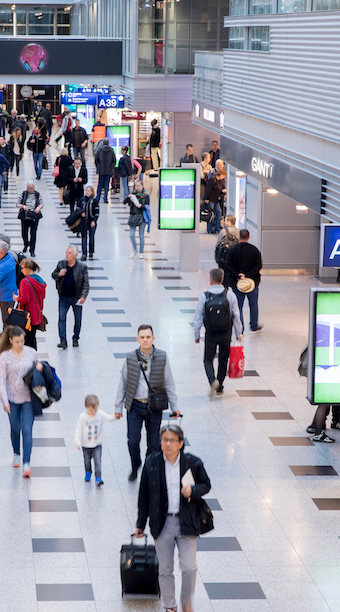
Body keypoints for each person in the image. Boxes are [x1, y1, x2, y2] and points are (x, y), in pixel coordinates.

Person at [135, 425, 212, 612]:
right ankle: (170, 607)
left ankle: (187, 602)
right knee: (165, 569)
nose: (167, 444)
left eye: (172, 440)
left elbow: (206, 485)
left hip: (187, 521)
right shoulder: (152, 462)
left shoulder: (192, 463)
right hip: (162, 522)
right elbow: (143, 494)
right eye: (164, 440)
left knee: (188, 567)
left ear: (181, 443)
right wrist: (140, 524)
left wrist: (192, 490)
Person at [114, 325, 181, 481]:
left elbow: (169, 383)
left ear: (153, 339)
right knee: (132, 441)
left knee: (153, 444)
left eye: (148, 337)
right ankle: (135, 464)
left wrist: (175, 406)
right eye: (142, 337)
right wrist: (118, 407)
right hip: (135, 406)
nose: (145, 340)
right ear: (138, 339)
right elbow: (122, 383)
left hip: (154, 406)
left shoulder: (162, 357)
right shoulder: (130, 357)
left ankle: (148, 470)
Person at [0, 325, 41, 477]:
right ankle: (16, 452)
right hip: (12, 398)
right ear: (10, 340)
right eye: (17, 341)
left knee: (27, 430)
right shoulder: (5, 356)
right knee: (15, 428)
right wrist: (4, 401)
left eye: (22, 340)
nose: (20, 344)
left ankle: (26, 463)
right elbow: (1, 381)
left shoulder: (31, 352)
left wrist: (40, 368)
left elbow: (38, 372)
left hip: (29, 397)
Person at [194, 268, 241, 396]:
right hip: (226, 332)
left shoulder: (205, 296)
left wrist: (197, 335)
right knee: (223, 359)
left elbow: (197, 318)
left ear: (210, 280)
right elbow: (236, 315)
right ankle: (219, 386)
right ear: (222, 279)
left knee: (208, 359)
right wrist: (238, 333)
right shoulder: (230, 295)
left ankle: (212, 381)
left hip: (211, 332)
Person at [75, 394, 118, 486]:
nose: (94, 411)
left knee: (97, 460)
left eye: (95, 409)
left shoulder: (100, 414)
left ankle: (98, 477)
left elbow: (108, 418)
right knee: (87, 460)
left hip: (97, 444)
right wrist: (77, 442)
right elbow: (78, 430)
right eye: (91, 410)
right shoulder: (82, 417)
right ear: (86, 407)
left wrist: (115, 417)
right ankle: (88, 472)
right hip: (86, 445)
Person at [225, 229, 263, 333]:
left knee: (238, 305)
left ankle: (240, 327)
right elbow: (258, 266)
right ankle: (254, 325)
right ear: (249, 237)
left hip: (236, 283)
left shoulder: (232, 250)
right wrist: (247, 275)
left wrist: (238, 275)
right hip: (252, 282)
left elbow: (228, 265)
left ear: (238, 237)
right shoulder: (254, 250)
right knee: (253, 304)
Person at [51, 245, 89, 349]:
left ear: (76, 255)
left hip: (76, 297)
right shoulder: (61, 264)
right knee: (61, 318)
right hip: (63, 297)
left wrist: (83, 296)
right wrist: (59, 274)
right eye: (66, 252)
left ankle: (76, 337)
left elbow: (86, 284)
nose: (67, 255)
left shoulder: (82, 267)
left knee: (78, 319)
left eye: (69, 253)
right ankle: (63, 340)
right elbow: (53, 275)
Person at [12, 258, 46, 350]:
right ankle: (34, 356)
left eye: (22, 268)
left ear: (27, 268)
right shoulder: (40, 280)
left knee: (26, 339)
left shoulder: (25, 281)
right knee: (32, 337)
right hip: (37, 313)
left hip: (26, 315)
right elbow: (42, 297)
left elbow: (25, 299)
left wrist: (17, 298)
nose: (21, 270)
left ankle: (29, 359)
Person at [17, 182, 44, 256]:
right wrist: (23, 206)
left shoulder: (37, 194)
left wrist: (38, 207)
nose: (30, 190)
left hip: (34, 217)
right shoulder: (23, 194)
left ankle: (32, 249)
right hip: (25, 217)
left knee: (33, 233)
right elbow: (17, 203)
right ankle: (26, 244)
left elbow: (42, 203)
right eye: (29, 188)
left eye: (32, 188)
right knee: (24, 233)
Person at [125, 180, 150, 259]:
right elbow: (124, 202)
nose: (137, 188)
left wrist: (140, 205)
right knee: (131, 234)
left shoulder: (146, 196)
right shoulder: (133, 195)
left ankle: (141, 252)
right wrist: (128, 198)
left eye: (139, 186)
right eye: (136, 186)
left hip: (142, 217)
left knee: (141, 235)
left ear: (142, 186)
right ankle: (135, 249)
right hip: (133, 216)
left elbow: (147, 206)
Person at [77, 185, 100, 259]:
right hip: (83, 222)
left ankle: (91, 251)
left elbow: (97, 213)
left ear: (92, 192)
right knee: (83, 237)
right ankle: (84, 253)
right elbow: (77, 209)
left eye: (88, 191)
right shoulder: (82, 200)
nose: (86, 192)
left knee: (91, 237)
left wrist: (94, 221)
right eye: (86, 191)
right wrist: (80, 213)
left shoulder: (95, 201)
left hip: (91, 221)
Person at [204, 163, 227, 234]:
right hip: (211, 199)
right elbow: (208, 189)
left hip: (216, 200)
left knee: (219, 212)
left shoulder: (219, 181)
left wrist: (223, 191)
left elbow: (219, 189)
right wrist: (206, 198)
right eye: (223, 176)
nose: (223, 178)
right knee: (211, 214)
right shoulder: (212, 179)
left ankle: (217, 228)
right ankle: (210, 229)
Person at [93, 138, 116, 203]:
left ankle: (98, 198)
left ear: (103, 143)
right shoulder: (111, 150)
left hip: (101, 170)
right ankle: (105, 198)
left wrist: (98, 167)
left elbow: (96, 160)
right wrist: (112, 168)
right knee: (107, 184)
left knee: (100, 184)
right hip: (109, 170)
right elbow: (114, 160)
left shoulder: (99, 150)